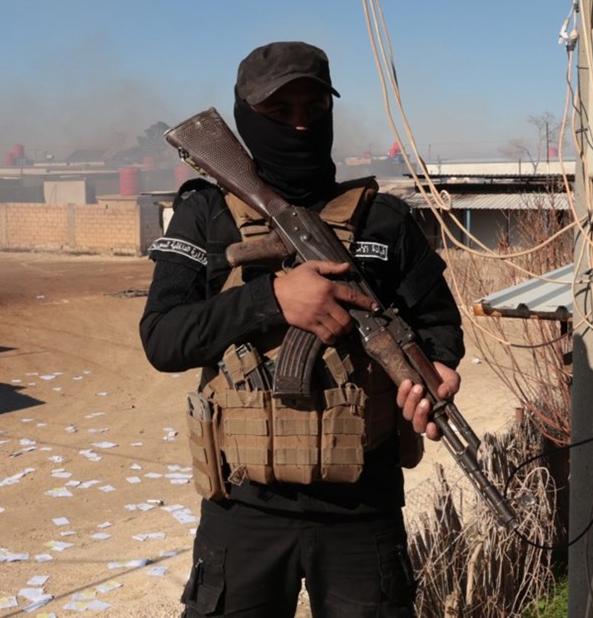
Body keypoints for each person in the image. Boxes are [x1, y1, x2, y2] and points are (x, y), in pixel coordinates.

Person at [140, 40, 465, 617]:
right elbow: (163, 338)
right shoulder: (206, 213)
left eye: (314, 109)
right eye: (278, 110)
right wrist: (271, 299)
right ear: (243, 117)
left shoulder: (384, 219)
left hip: (362, 510)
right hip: (244, 509)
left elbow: (438, 323)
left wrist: (437, 367)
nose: (299, 124)